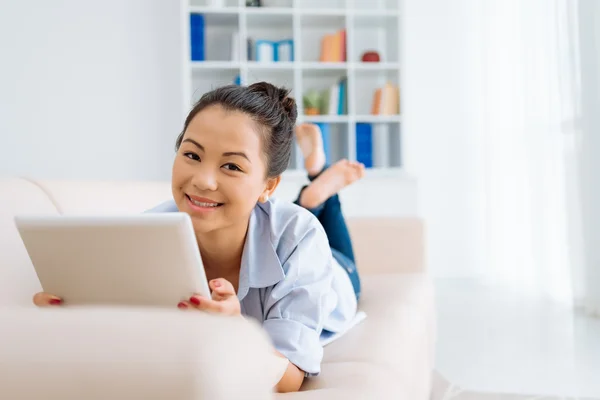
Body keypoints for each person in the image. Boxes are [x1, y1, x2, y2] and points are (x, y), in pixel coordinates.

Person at [32, 82, 365, 393]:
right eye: (192, 155)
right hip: (265, 218)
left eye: (232, 166)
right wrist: (75, 315)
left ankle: (319, 188)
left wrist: (236, 331)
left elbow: (291, 378)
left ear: (268, 185)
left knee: (314, 219)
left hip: (337, 275)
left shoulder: (301, 238)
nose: (203, 181)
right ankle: (315, 185)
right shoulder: (150, 234)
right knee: (285, 212)